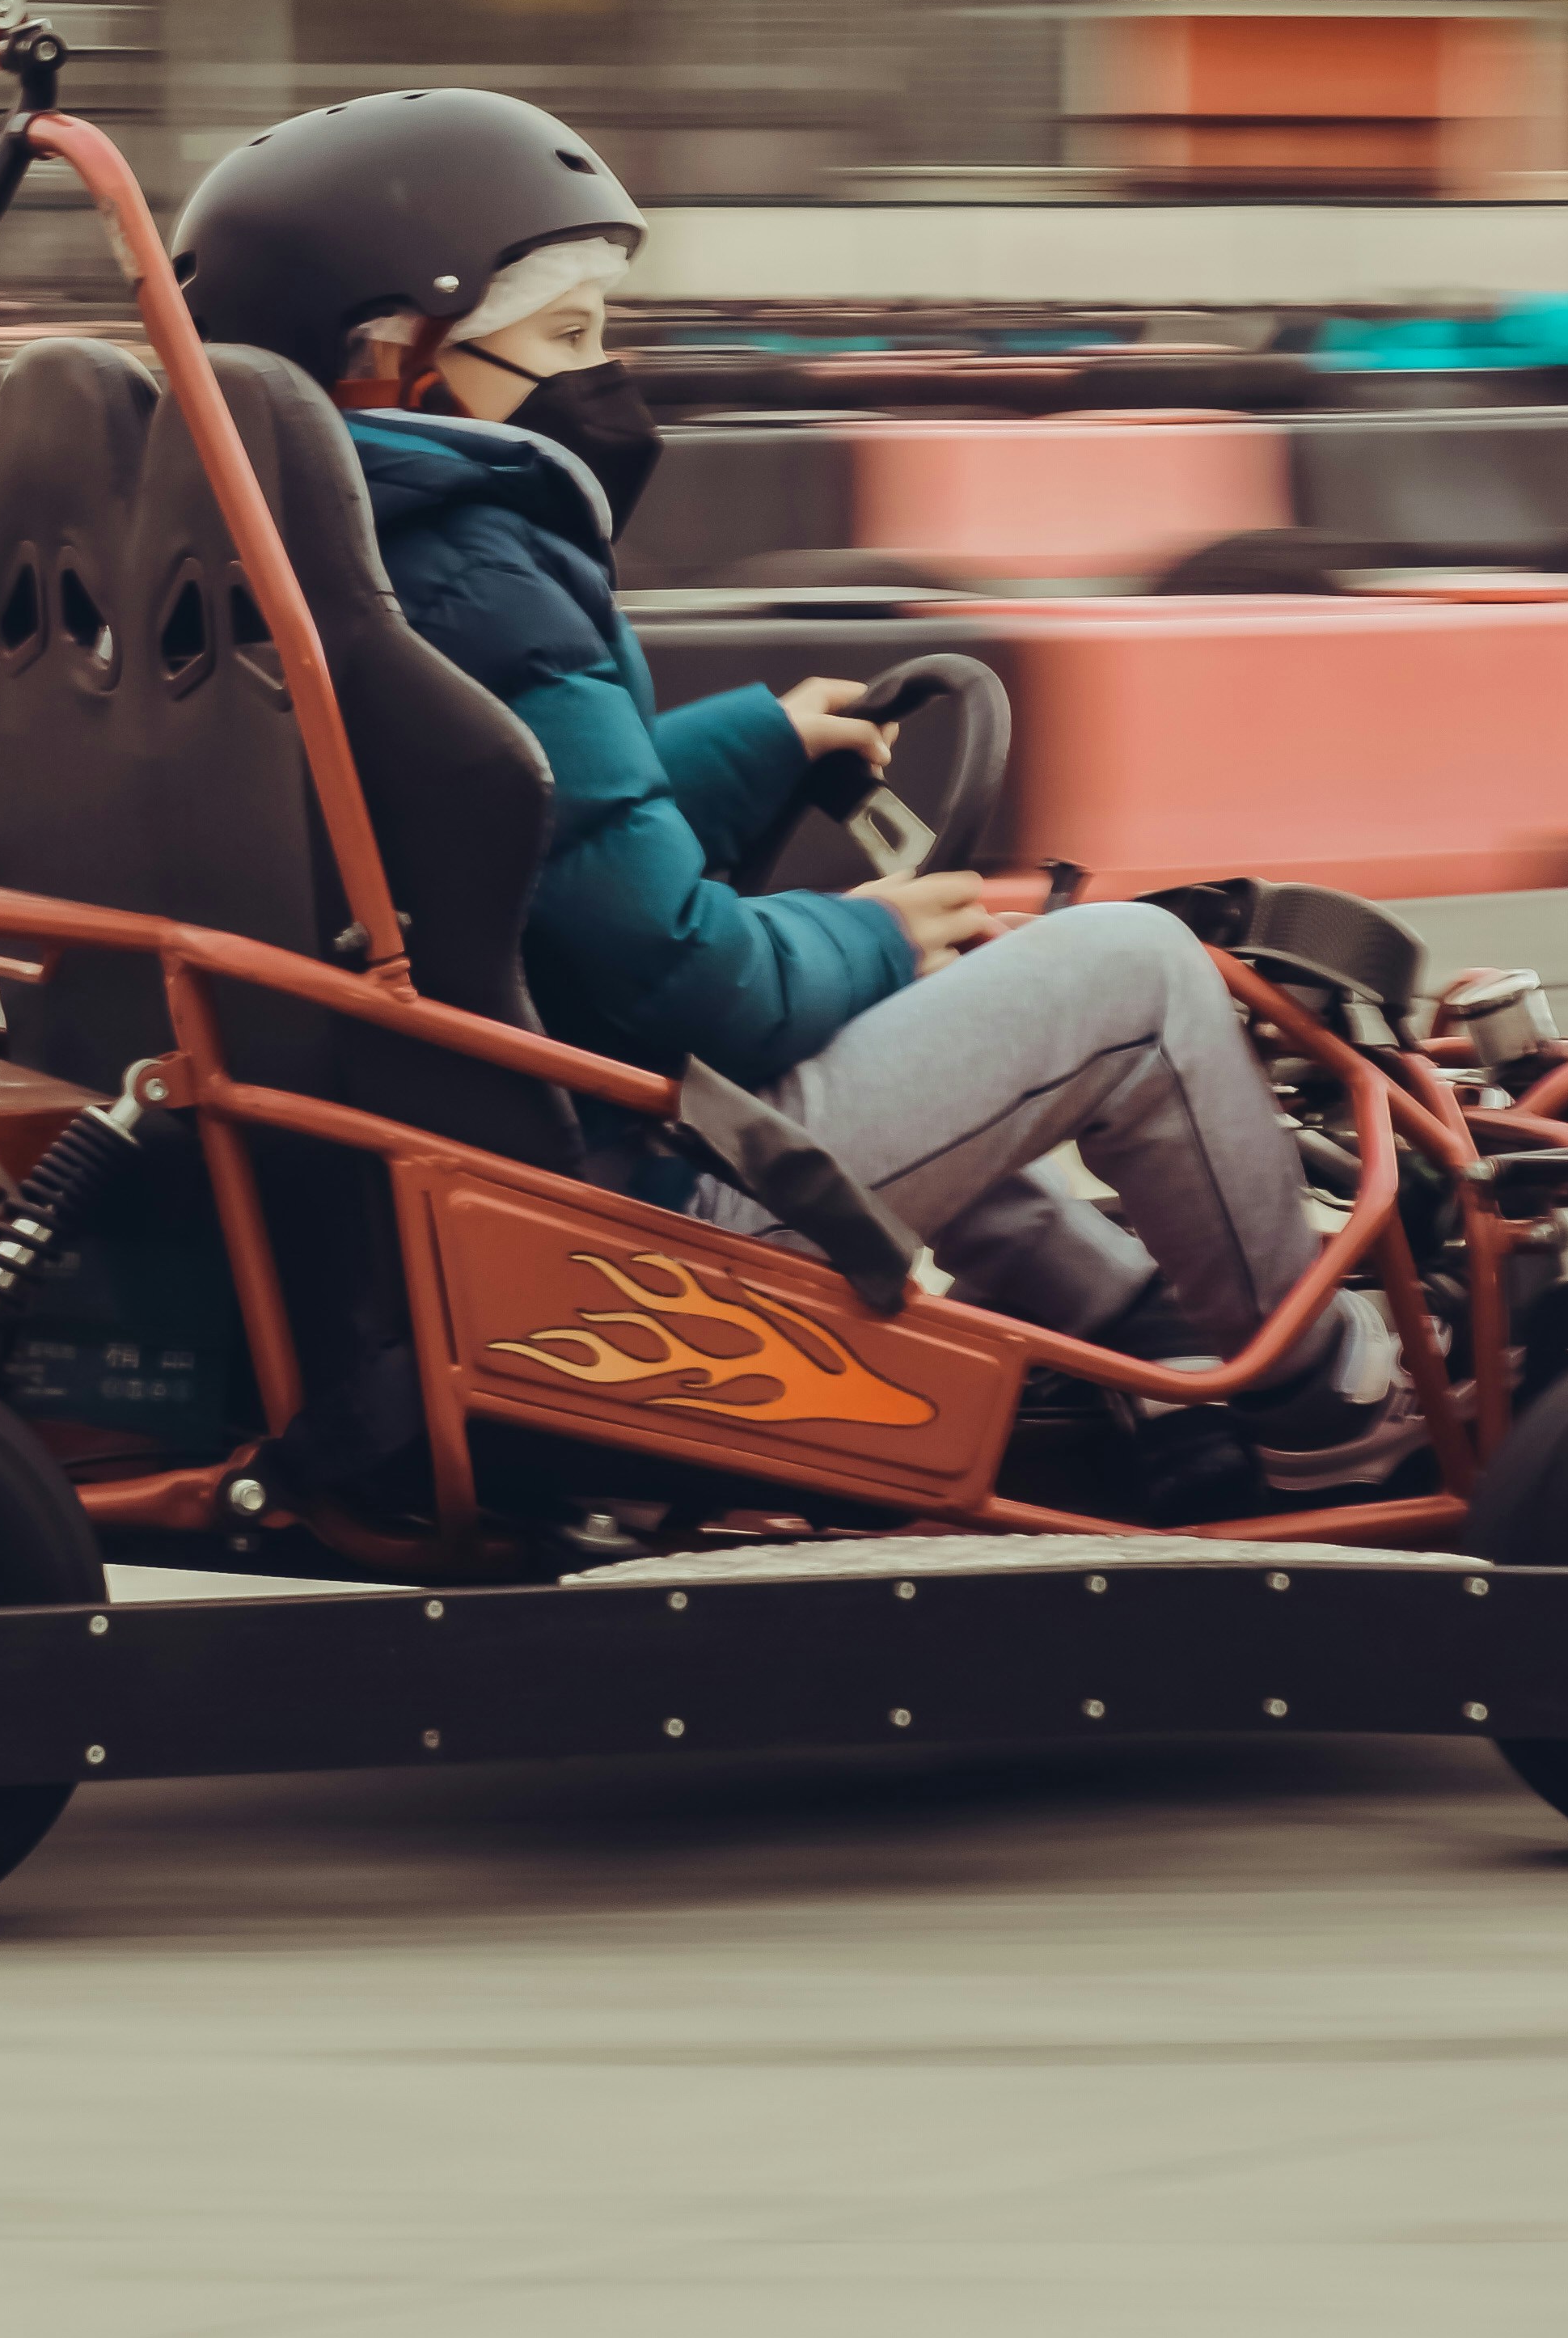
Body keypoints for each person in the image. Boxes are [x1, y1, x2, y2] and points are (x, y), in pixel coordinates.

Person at [172, 91, 1425, 1509]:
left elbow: (509, 842)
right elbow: (684, 976)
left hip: (453, 1165)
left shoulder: (298, 566)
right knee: (1132, 975)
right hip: (615, 1229)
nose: (606, 379)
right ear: (395, 362)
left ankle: (1138, 1348)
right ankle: (1329, 1403)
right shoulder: (476, 577)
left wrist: (756, 746)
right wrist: (876, 937)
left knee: (912, 1006)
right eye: (567, 338)